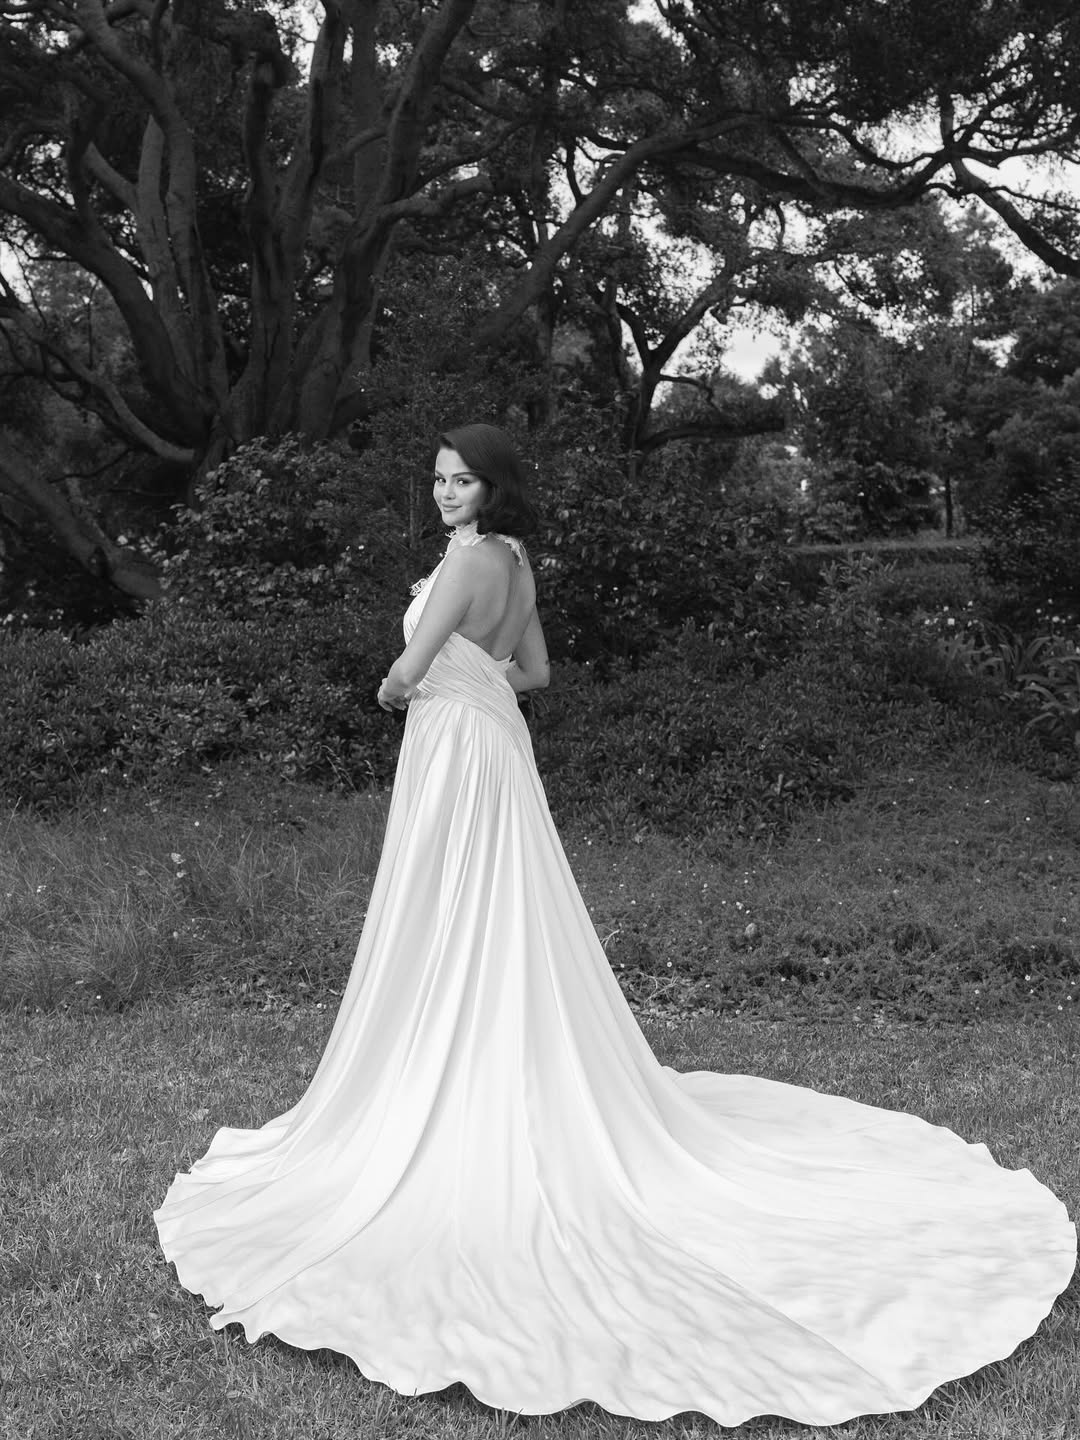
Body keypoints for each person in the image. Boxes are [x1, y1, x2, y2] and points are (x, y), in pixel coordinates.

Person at [156, 423, 1076, 1429]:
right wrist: (474, 679)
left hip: (454, 749)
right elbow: (535, 673)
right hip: (494, 747)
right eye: (439, 480)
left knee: (451, 905)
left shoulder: (471, 562)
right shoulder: (518, 563)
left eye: (462, 481)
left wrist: (410, 684)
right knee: (499, 906)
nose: (446, 494)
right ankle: (484, 1057)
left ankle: (452, 1077)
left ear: (492, 488)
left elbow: (405, 670)